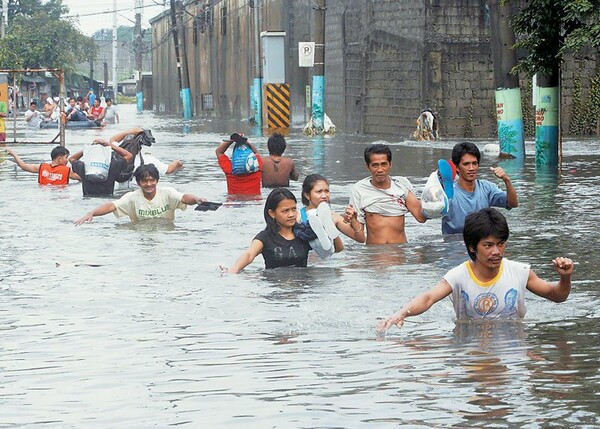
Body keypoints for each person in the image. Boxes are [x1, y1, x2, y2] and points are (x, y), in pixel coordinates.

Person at [377, 208, 574, 331]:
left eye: (501, 244)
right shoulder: (458, 276)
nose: (496, 252)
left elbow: (556, 295)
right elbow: (428, 297)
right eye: (488, 245)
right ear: (472, 247)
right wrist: (402, 313)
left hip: (513, 346)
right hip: (468, 346)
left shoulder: (520, 272)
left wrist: (565, 278)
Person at [346, 143, 426, 244]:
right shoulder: (359, 190)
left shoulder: (401, 185)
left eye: (384, 164)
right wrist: (353, 220)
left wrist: (434, 202)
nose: (380, 170)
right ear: (367, 166)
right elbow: (360, 236)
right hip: (374, 255)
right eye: (375, 165)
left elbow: (421, 217)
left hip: (400, 254)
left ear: (390, 164)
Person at [74, 164, 206, 225]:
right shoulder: (132, 197)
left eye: (152, 180)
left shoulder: (168, 193)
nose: (149, 184)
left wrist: (197, 199)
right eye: (145, 181)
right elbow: (112, 206)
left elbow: (184, 198)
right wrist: (91, 213)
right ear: (138, 183)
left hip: (166, 234)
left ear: (157, 181)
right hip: (140, 232)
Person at [442, 142, 518, 235]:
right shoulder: (448, 193)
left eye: (474, 163)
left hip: (481, 244)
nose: (471, 168)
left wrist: (507, 180)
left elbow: (513, 203)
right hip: (453, 245)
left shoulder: (487, 188)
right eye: (466, 164)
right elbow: (425, 213)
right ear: (457, 167)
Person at [228, 188, 311, 273]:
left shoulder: (304, 234)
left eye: (294, 209)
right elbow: (249, 254)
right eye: (285, 211)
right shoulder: (265, 237)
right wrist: (234, 269)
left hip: (302, 284)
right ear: (272, 213)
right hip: (273, 284)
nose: (291, 214)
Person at [295, 174, 365, 259]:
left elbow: (360, 239)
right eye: (319, 191)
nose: (324, 196)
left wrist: (353, 220)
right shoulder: (297, 217)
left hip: (326, 261)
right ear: (307, 195)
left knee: (330, 246)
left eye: (327, 191)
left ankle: (330, 235)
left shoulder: (333, 217)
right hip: (308, 262)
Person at [68, 128, 136, 196]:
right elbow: (129, 155)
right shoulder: (112, 166)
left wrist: (89, 148)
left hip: (87, 200)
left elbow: (71, 158)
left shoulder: (84, 167)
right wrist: (109, 145)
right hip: (107, 200)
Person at [4, 145, 80, 185]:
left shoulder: (42, 167)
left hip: (43, 194)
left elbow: (23, 166)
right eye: (66, 157)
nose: (67, 160)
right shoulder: (67, 171)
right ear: (59, 159)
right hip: (60, 194)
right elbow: (82, 179)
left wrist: (13, 154)